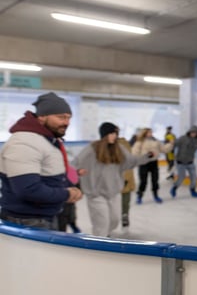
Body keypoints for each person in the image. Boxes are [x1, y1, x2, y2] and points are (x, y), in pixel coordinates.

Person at [0, 92, 83, 229]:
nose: (66, 123)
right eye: (61, 117)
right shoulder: (24, 143)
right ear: (42, 117)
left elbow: (49, 173)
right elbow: (28, 189)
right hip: (27, 221)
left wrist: (69, 186)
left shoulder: (46, 140)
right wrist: (66, 193)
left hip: (44, 217)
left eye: (69, 118)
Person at [73, 122, 156, 237]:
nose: (114, 136)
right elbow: (75, 163)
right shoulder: (92, 148)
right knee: (101, 223)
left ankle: (105, 234)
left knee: (114, 220)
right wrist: (77, 172)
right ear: (104, 134)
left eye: (115, 134)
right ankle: (99, 245)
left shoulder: (119, 148)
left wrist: (146, 157)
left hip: (114, 192)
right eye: (111, 133)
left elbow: (131, 161)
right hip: (96, 194)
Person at [170, 125, 197, 199]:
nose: (194, 134)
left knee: (194, 178)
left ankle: (193, 191)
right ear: (189, 132)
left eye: (195, 133)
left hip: (190, 162)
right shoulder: (183, 138)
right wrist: (171, 146)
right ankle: (174, 188)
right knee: (181, 177)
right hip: (180, 162)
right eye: (192, 132)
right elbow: (174, 144)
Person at [132, 128, 172, 204]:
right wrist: (141, 158)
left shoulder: (156, 141)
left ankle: (156, 195)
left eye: (151, 132)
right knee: (143, 181)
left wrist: (170, 144)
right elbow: (135, 152)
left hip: (154, 163)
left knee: (155, 180)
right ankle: (139, 196)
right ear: (145, 133)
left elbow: (163, 149)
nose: (150, 133)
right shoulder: (140, 141)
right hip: (144, 163)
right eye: (149, 132)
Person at [117, 130, 136, 227]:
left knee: (125, 197)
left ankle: (124, 215)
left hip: (124, 175)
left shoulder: (123, 143)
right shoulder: (104, 145)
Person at [57, 163, 82, 233]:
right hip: (62, 203)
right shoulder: (70, 170)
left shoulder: (70, 171)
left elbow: (78, 189)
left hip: (66, 203)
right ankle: (73, 226)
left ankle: (73, 226)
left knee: (68, 217)